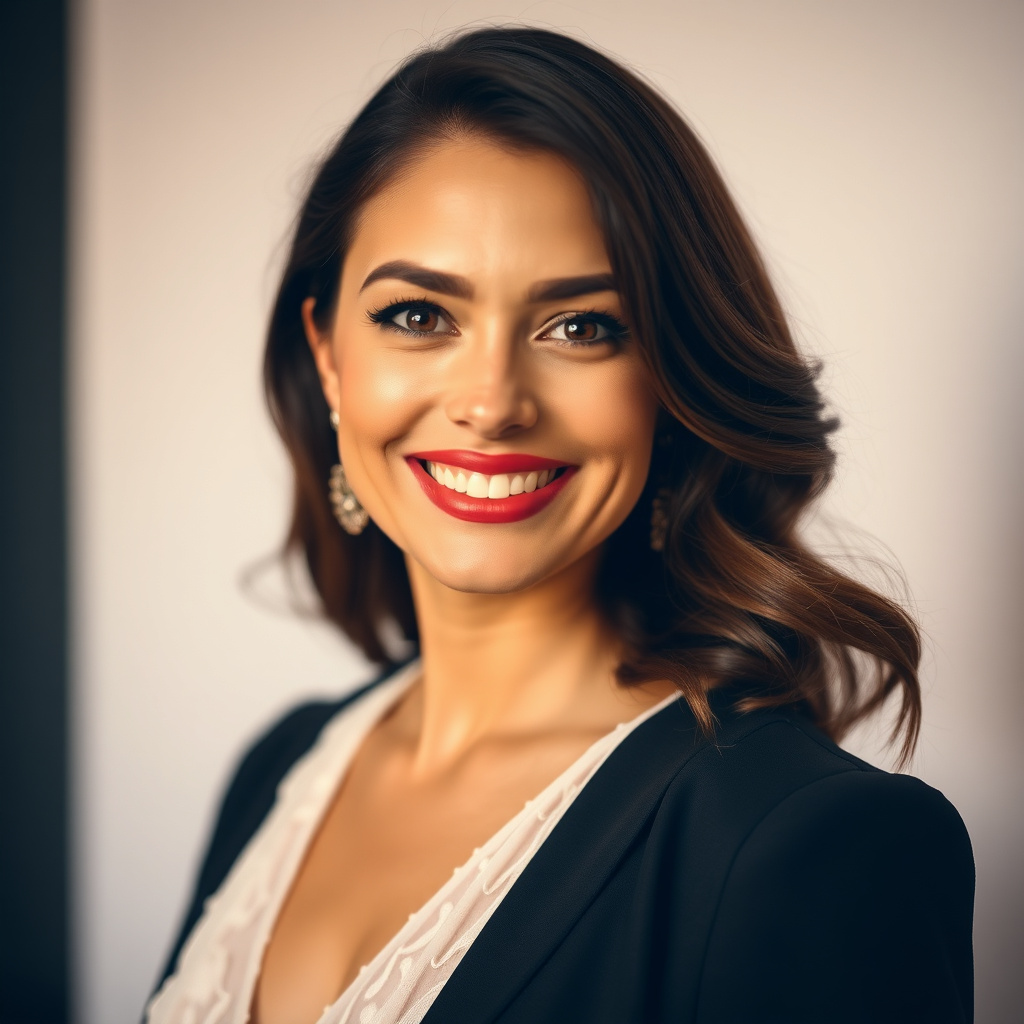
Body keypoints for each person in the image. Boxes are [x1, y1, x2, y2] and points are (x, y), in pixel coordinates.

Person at [144, 26, 974, 1024]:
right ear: (327, 354)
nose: (491, 402)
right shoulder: (279, 766)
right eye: (418, 315)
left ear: (671, 380)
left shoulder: (811, 841)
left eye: (583, 327)